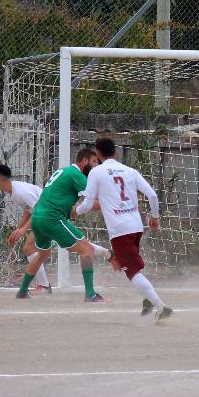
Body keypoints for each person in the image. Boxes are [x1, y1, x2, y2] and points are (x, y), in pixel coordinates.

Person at [77, 138, 172, 322]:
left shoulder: (97, 172)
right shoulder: (130, 171)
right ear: (116, 152)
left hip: (119, 231)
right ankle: (148, 299)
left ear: (97, 153)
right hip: (136, 227)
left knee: (132, 272)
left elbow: (87, 204)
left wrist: (75, 211)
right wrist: (154, 216)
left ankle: (162, 307)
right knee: (133, 266)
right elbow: (152, 195)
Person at [17, 148, 110, 301]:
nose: (95, 166)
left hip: (37, 217)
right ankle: (91, 294)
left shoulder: (63, 171)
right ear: (85, 161)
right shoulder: (76, 174)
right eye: (94, 162)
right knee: (87, 249)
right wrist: (112, 203)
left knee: (42, 255)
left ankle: (22, 291)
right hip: (52, 218)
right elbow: (92, 201)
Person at [0, 164, 58, 294]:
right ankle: (43, 285)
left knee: (29, 247)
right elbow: (29, 210)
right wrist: (18, 230)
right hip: (45, 216)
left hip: (50, 216)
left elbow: (38, 209)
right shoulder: (14, 191)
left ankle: (44, 286)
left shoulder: (20, 191)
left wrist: (22, 230)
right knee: (76, 245)